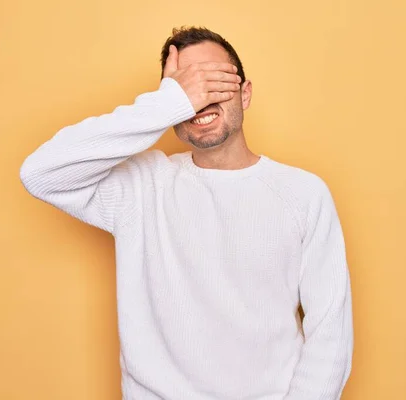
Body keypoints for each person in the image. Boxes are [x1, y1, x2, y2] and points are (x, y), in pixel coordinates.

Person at [20, 26, 353, 400]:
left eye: (214, 82)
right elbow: (41, 173)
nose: (201, 98)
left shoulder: (303, 194)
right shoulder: (143, 187)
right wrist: (168, 103)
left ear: (245, 94)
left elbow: (330, 334)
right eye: (187, 86)